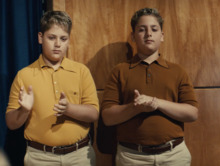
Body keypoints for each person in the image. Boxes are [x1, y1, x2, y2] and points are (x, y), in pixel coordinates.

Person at [101, 8, 198, 166]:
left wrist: (157, 103)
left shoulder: (177, 71)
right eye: (141, 29)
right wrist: (136, 107)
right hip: (132, 157)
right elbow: (108, 117)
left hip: (174, 155)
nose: (148, 34)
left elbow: (192, 113)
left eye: (154, 29)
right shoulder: (119, 71)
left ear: (162, 36)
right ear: (133, 36)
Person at [5, 11, 99, 165]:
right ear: (40, 38)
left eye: (63, 39)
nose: (58, 44)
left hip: (79, 156)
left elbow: (94, 114)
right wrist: (24, 110)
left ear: (69, 40)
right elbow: (11, 123)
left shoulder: (81, 71)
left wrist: (69, 108)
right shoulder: (24, 75)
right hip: (39, 158)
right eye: (52, 38)